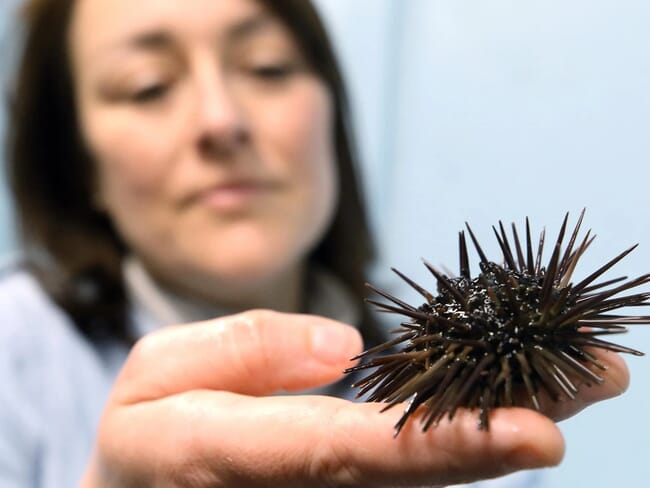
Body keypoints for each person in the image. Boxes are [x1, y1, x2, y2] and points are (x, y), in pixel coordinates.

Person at [0, 0, 631, 486]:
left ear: (332, 112)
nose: (221, 121)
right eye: (148, 85)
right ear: (80, 166)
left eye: (267, 67)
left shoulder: (477, 410)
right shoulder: (16, 353)